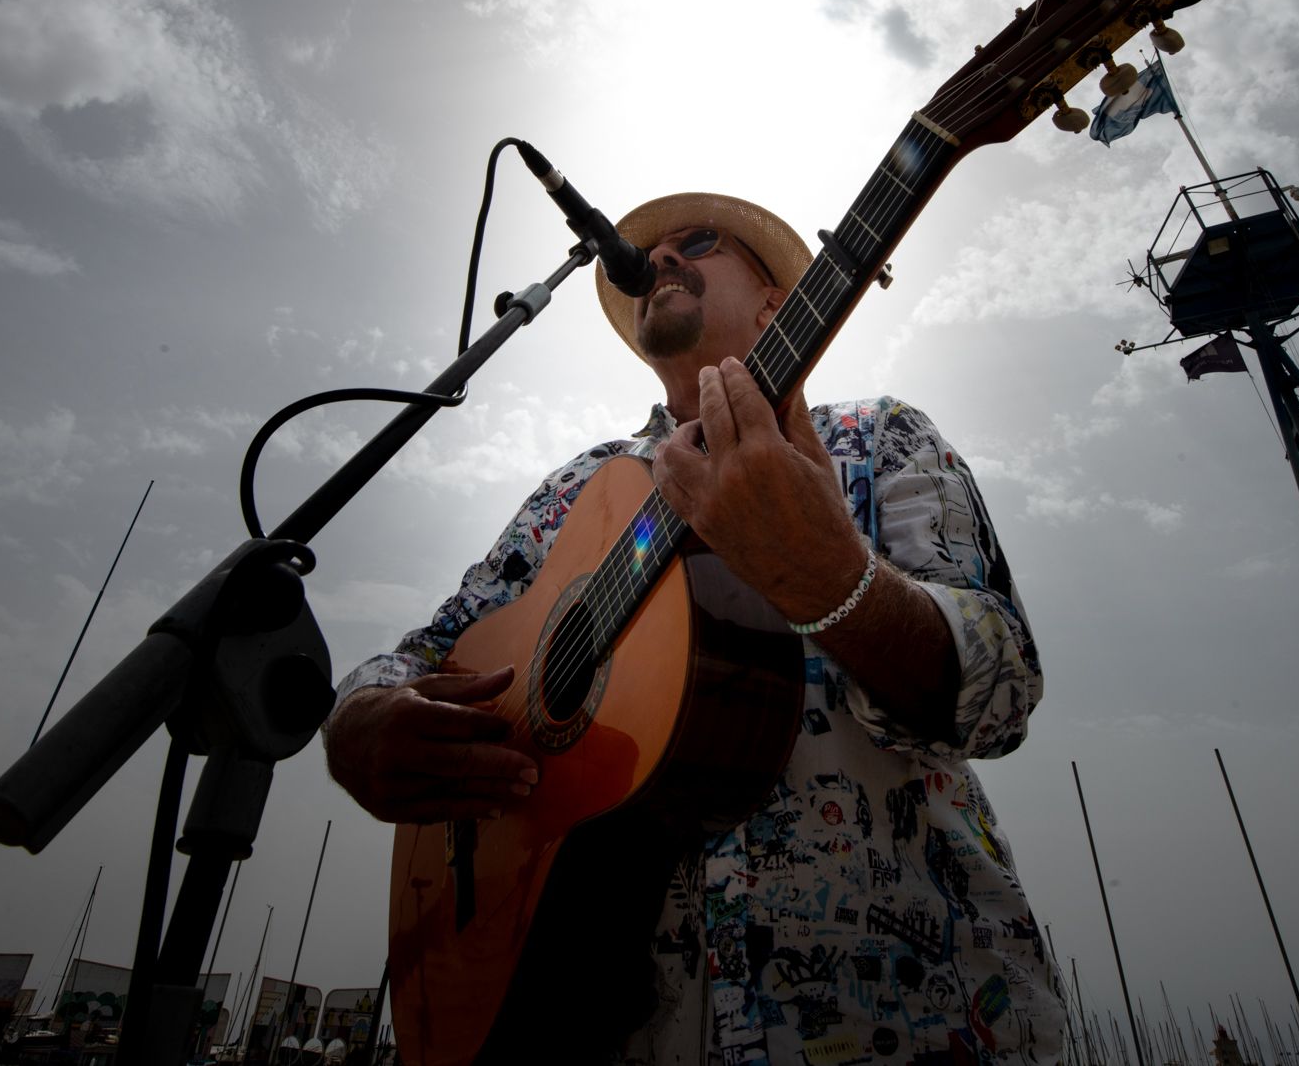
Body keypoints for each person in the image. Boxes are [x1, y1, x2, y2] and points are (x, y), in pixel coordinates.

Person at [325, 191, 1063, 1063]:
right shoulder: (579, 494)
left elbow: (999, 692)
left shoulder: (877, 439)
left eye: (699, 242)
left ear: (779, 304)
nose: (661, 258)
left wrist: (835, 581)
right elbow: (432, 649)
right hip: (575, 1008)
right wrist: (360, 719)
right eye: (649, 251)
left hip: (897, 1019)